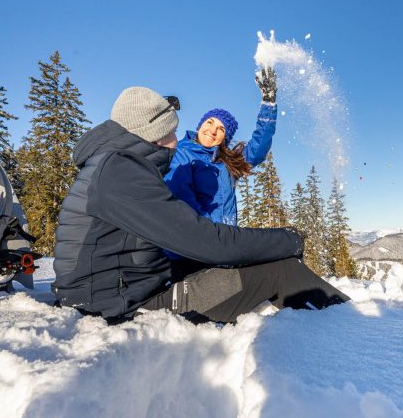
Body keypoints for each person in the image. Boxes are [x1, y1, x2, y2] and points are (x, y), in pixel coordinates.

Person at [52, 86, 349, 324]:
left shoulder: (116, 165)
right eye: (171, 132)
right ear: (154, 135)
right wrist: (289, 239)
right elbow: (203, 240)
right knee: (280, 271)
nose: (175, 140)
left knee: (249, 262)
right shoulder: (121, 172)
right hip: (119, 304)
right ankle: (356, 334)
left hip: (128, 284)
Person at [164, 67, 278, 226]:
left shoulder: (227, 163)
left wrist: (269, 103)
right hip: (195, 238)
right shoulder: (182, 153)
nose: (213, 130)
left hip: (225, 240)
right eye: (209, 122)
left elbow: (259, 148)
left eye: (221, 129)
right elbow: (181, 198)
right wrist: (209, 233)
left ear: (225, 138)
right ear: (200, 126)